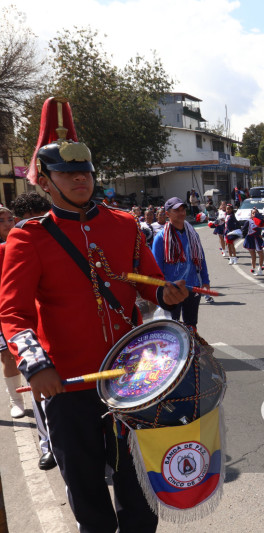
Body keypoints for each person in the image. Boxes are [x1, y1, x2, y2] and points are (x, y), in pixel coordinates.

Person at [0, 96, 188, 532]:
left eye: (84, 171)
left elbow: (148, 282)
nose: (80, 178)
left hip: (132, 378)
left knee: (139, 490)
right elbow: (13, 313)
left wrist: (169, 294)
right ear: (46, 181)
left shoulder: (124, 224)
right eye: (67, 172)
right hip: (67, 383)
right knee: (86, 492)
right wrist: (34, 364)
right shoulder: (29, 238)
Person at [7, 193, 57, 470]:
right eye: (33, 221)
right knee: (40, 393)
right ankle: (47, 444)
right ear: (18, 222)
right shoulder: (12, 246)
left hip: (56, 329)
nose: (41, 226)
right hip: (27, 331)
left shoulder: (57, 238)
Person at [152, 197, 213, 323]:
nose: (181, 213)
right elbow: (156, 268)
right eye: (176, 210)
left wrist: (205, 280)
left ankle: (191, 343)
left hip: (193, 286)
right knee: (171, 327)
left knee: (191, 326)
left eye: (183, 209)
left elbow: (201, 258)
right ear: (168, 214)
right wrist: (161, 292)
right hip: (171, 290)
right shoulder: (160, 238)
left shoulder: (193, 234)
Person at [0, 206, 25, 420]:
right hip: (3, 309)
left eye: (10, 219)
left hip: (26, 306)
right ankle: (16, 400)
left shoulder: (24, 241)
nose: (9, 223)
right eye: (2, 220)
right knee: (7, 356)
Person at [243, 208, 264, 275]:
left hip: (258, 239)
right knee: (253, 255)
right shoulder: (249, 221)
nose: (254, 214)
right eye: (253, 213)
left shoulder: (261, 221)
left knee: (261, 253)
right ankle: (254, 268)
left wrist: (263, 234)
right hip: (250, 239)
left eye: (256, 213)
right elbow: (243, 229)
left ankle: (260, 267)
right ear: (251, 214)